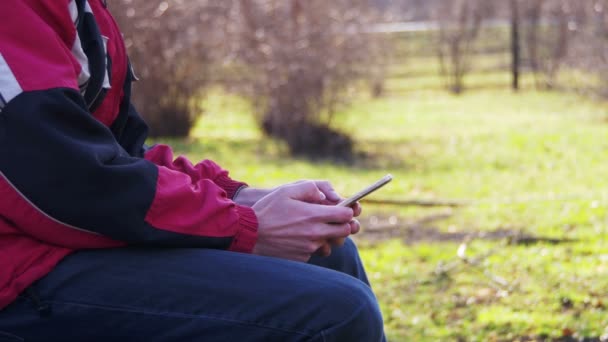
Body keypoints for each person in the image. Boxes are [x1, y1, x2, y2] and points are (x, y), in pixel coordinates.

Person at [0, 1, 386, 341]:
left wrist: (239, 196)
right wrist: (245, 227)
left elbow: (120, 151)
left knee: (331, 255)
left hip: (53, 244)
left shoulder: (83, 10)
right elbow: (65, 181)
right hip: (16, 273)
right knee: (335, 313)